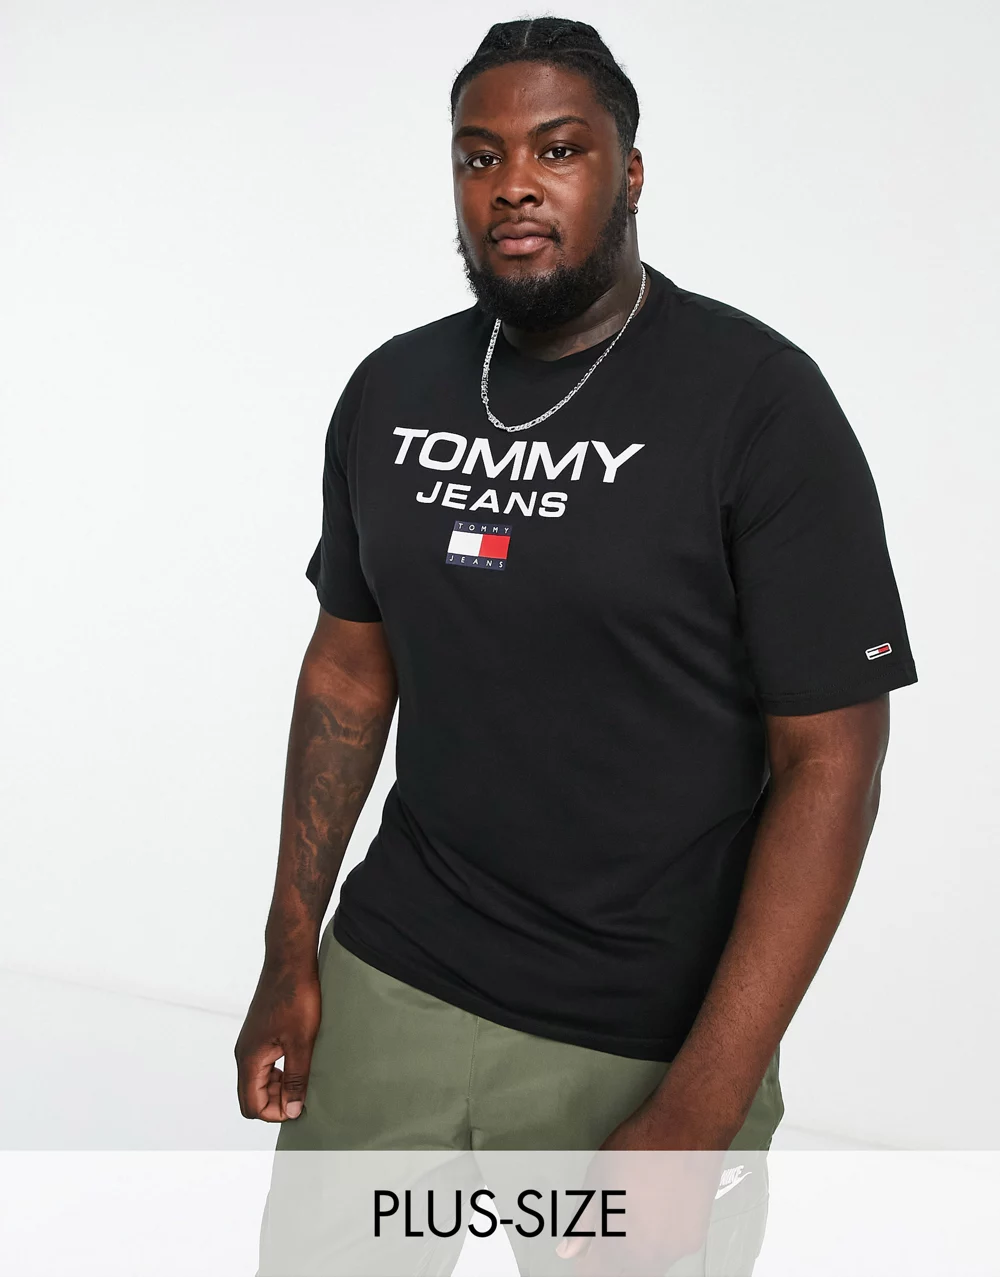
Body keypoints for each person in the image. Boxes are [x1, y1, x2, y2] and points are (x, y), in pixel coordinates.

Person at [236, 15, 917, 1250]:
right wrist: (291, 949)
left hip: (636, 1033)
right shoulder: (393, 389)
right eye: (479, 155)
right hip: (392, 978)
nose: (513, 186)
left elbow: (832, 760)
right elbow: (348, 664)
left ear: (629, 170)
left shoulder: (758, 404)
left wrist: (701, 1109)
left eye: (557, 148)